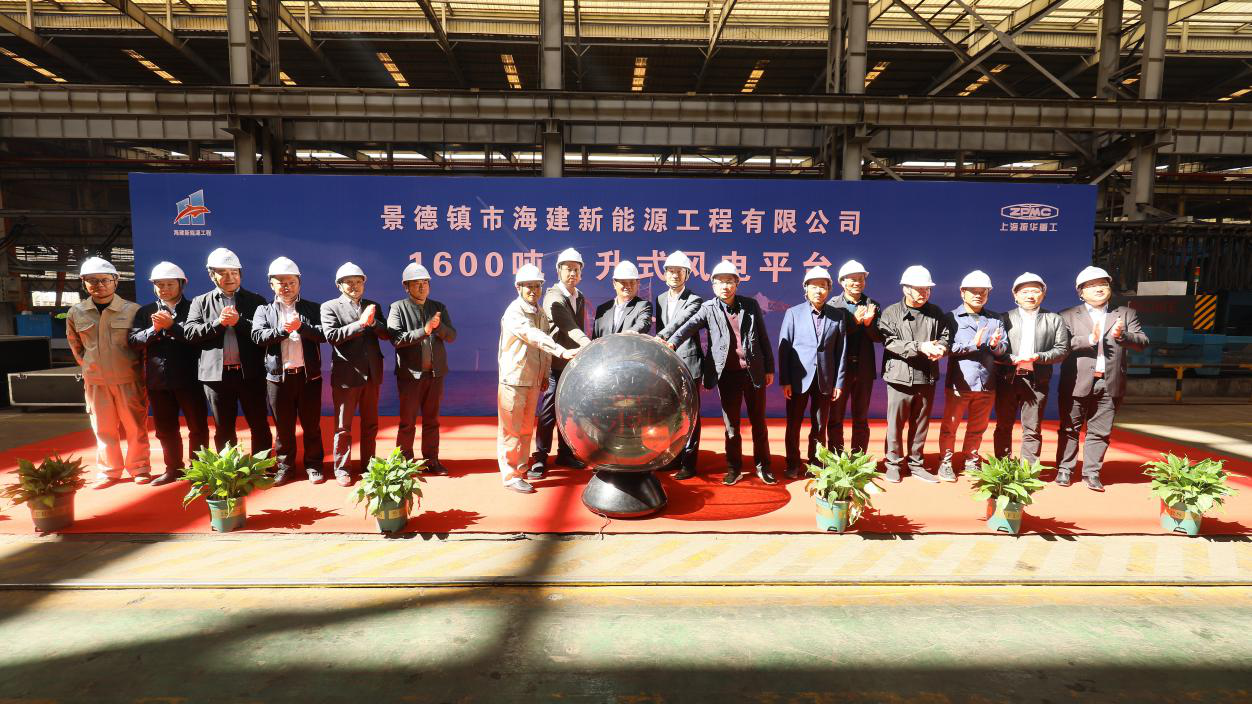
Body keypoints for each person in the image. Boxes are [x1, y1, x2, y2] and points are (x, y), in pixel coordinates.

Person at [665, 260, 775, 486]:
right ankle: (734, 469)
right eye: (720, 282)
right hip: (727, 375)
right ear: (713, 285)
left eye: (729, 281)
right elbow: (689, 326)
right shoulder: (708, 308)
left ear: (737, 283)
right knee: (731, 427)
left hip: (753, 373)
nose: (725, 286)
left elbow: (763, 337)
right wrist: (672, 342)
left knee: (758, 424)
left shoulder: (750, 305)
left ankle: (763, 467)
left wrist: (769, 368)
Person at [1055, 266, 1149, 491]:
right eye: (1092, 285)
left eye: (1103, 284)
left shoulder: (1126, 313)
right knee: (1069, 428)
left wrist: (1123, 336)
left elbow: (1142, 341)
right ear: (1081, 291)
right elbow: (1061, 346)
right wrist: (1089, 339)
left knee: (1101, 430)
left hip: (1110, 381)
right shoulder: (1067, 315)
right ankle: (1065, 469)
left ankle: (1092, 473)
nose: (1099, 289)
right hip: (1076, 380)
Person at [66, 256, 152, 487]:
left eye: (105, 279)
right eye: (92, 280)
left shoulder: (132, 310)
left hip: (129, 379)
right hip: (96, 381)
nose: (99, 285)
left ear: (116, 281)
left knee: (135, 427)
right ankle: (109, 471)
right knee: (103, 429)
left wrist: (140, 375)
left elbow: (144, 348)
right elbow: (76, 346)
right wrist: (90, 367)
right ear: (84, 283)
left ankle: (140, 467)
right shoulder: (76, 313)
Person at [184, 247, 272, 456]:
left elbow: (264, 334)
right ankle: (229, 468)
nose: (229, 277)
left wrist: (239, 322)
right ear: (211, 275)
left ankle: (263, 465)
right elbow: (190, 333)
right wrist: (219, 323)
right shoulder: (200, 301)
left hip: (250, 374)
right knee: (223, 427)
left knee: (259, 423)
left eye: (234, 272)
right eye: (222, 273)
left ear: (240, 274)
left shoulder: (256, 300)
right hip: (216, 377)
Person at [497, 264, 577, 493]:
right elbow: (534, 336)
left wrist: (543, 374)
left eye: (537, 286)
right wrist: (561, 351)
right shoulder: (514, 312)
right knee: (511, 431)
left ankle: (521, 469)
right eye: (528, 286)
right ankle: (511, 476)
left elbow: (542, 348)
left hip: (532, 380)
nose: (533, 290)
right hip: (514, 380)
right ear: (518, 287)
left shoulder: (539, 311)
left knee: (524, 430)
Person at [128, 261, 208, 486]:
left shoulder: (195, 308)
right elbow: (134, 341)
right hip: (158, 381)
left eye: (169, 284)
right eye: (159, 284)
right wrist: (154, 329)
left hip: (190, 379)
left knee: (197, 427)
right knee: (165, 430)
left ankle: (199, 470)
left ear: (182, 284)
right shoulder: (145, 312)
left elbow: (200, 338)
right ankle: (173, 469)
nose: (164, 289)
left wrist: (172, 326)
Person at [251, 257, 327, 485]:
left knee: (311, 426)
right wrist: (283, 331)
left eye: (291, 282)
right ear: (271, 284)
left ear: (299, 283)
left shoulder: (313, 308)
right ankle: (286, 468)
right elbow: (257, 336)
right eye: (280, 282)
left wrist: (302, 327)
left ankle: (314, 466)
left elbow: (323, 334)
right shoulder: (264, 310)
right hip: (278, 379)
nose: (286, 287)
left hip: (308, 377)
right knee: (283, 429)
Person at [877, 265, 951, 483]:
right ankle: (893, 464)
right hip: (899, 378)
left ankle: (916, 464)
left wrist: (942, 349)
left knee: (920, 425)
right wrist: (920, 346)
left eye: (927, 289)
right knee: (895, 424)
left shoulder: (936, 313)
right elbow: (890, 342)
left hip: (926, 377)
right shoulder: (891, 313)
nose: (924, 293)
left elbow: (945, 337)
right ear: (905, 288)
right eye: (919, 289)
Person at [321, 262, 390, 486]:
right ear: (339, 285)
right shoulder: (330, 307)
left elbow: (386, 334)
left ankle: (369, 466)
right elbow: (332, 336)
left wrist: (373, 322)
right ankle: (342, 469)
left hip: (372, 374)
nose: (354, 286)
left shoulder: (373, 305)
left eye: (358, 281)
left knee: (371, 424)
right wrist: (361, 324)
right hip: (346, 376)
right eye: (349, 282)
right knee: (343, 427)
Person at [992, 272, 1070, 465]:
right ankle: (1002, 468)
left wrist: (1039, 357)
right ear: (1015, 294)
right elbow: (997, 350)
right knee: (1003, 425)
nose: (1030, 295)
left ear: (1043, 294)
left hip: (1037, 381)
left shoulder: (1054, 319)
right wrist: (1008, 357)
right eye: (1025, 291)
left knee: (1032, 428)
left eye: (1035, 291)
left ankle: (1028, 470)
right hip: (1007, 379)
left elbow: (1062, 350)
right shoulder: (1003, 318)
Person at [936, 270, 1006, 481]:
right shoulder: (950, 318)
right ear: (962, 292)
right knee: (950, 427)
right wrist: (972, 344)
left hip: (986, 383)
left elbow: (1003, 348)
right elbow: (946, 347)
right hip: (960, 383)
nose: (978, 295)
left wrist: (994, 345)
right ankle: (945, 462)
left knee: (978, 427)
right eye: (973, 291)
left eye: (983, 291)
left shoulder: (995, 319)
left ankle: (971, 460)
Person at [387, 262, 456, 476]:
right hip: (410, 376)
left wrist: (438, 327)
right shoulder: (397, 308)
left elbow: (452, 336)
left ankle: (431, 461)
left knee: (432, 421)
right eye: (416, 283)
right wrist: (424, 331)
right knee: (407, 422)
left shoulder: (438, 307)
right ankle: (404, 463)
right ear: (406, 286)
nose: (422, 287)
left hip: (435, 375)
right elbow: (396, 339)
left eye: (425, 282)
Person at [778, 266, 847, 479]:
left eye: (823, 286)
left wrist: (838, 383)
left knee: (819, 425)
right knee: (793, 424)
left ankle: (815, 463)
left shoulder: (837, 316)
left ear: (829, 290)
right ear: (805, 288)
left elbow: (841, 351)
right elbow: (784, 349)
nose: (819, 290)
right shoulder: (793, 313)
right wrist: (785, 380)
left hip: (825, 379)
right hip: (798, 379)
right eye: (814, 286)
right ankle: (792, 463)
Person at [531, 247, 592, 480]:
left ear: (581, 272)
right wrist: (588, 344)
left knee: (569, 411)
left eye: (576, 269)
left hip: (572, 364)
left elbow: (578, 326)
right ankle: (540, 456)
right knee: (549, 411)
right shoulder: (553, 297)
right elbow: (568, 325)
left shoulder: (579, 296)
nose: (572, 273)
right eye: (568, 269)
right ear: (558, 271)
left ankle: (565, 453)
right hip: (555, 363)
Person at [653, 250, 706, 480]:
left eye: (679, 271)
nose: (675, 275)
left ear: (687, 275)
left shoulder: (695, 300)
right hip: (668, 365)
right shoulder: (659, 299)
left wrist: (661, 338)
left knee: (690, 414)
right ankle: (673, 457)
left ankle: (689, 463)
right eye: (671, 271)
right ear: (664, 274)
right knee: (671, 413)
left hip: (689, 363)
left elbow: (679, 323)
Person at [828, 260, 882, 455]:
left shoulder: (872, 305)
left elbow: (879, 337)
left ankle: (858, 460)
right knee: (835, 418)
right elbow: (830, 336)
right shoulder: (832, 305)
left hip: (864, 370)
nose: (858, 282)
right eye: (853, 279)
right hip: (838, 371)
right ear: (842, 282)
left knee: (861, 418)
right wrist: (855, 321)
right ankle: (836, 459)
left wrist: (868, 324)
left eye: (861, 279)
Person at [592, 260, 653, 338]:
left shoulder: (643, 306)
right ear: (614, 283)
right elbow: (596, 339)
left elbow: (643, 323)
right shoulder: (602, 309)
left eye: (631, 282)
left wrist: (631, 333)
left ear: (637, 283)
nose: (628, 286)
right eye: (623, 282)